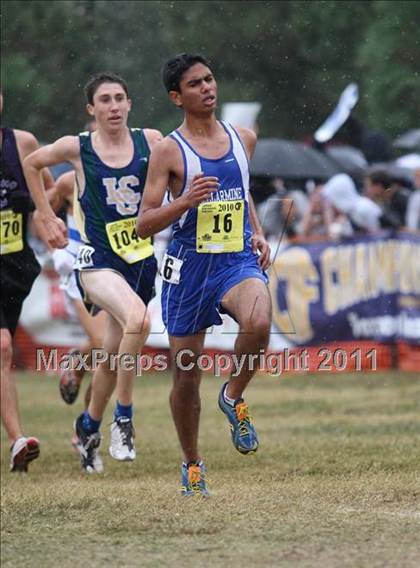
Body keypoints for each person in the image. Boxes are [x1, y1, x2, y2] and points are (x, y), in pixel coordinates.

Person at [137, 53, 272, 496]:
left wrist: (256, 231)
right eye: (195, 84)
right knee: (186, 373)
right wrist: (184, 202)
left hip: (235, 259)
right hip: (188, 267)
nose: (207, 88)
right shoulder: (168, 150)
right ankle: (192, 464)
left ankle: (232, 396)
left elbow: (242, 192)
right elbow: (144, 223)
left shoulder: (243, 138)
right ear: (177, 97)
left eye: (210, 79)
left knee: (259, 321)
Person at [23, 72, 162, 473]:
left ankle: (86, 428)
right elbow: (33, 164)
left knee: (109, 354)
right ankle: (124, 417)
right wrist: (47, 218)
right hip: (97, 262)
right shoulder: (76, 149)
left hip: (140, 262)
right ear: (92, 109)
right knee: (139, 319)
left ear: (130, 104)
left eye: (120, 98)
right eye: (105, 100)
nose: (114, 106)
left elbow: (184, 160)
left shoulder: (150, 141)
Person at [0, 90, 55, 471]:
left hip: (14, 265)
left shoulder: (22, 143)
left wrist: (45, 218)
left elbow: (46, 190)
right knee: (2, 347)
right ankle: (17, 440)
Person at [48, 169, 107, 408]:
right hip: (80, 271)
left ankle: (79, 362)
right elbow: (42, 216)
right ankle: (87, 425)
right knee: (106, 348)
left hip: (119, 268)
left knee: (117, 349)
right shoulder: (67, 182)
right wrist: (55, 250)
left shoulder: (131, 174)